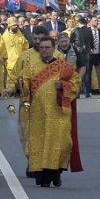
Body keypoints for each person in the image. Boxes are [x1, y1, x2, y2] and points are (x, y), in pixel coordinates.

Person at [19, 36, 81, 187]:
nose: (44, 50)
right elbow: (24, 82)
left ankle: (56, 173)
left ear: (54, 48)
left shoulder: (63, 66)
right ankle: (42, 177)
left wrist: (63, 85)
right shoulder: (31, 66)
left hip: (59, 113)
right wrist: (21, 84)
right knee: (39, 143)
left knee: (61, 143)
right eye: (42, 48)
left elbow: (76, 83)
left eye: (47, 47)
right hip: (38, 113)